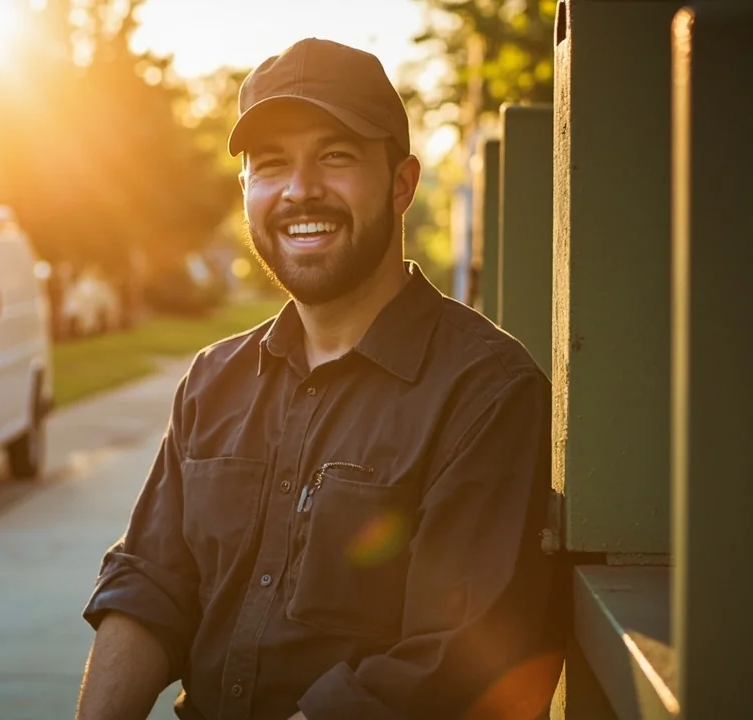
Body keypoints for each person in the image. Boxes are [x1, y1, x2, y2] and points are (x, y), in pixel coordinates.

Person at [77, 38, 564, 720]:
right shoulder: (212, 382)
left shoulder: (485, 393)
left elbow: (449, 661)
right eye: (271, 165)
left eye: (335, 157)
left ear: (401, 182)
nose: (300, 190)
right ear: (247, 190)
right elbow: (150, 585)